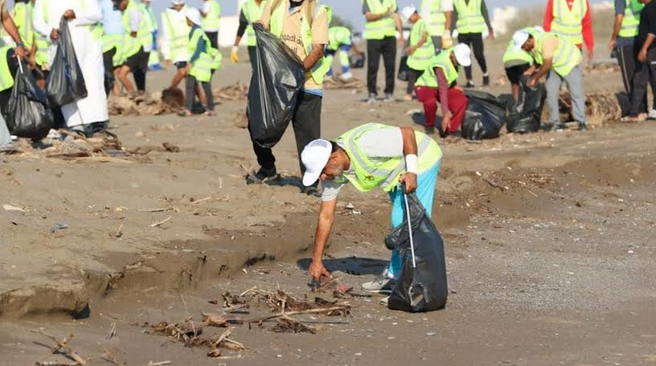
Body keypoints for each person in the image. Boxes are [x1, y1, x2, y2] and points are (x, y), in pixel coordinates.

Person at [301, 123, 442, 302]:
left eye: (321, 171)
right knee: (399, 223)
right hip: (395, 173)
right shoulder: (332, 173)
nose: (322, 177)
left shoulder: (365, 144)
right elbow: (325, 216)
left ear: (334, 158)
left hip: (421, 157)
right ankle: (394, 276)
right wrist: (317, 260)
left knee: (407, 222)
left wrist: (412, 172)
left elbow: (407, 134)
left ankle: (415, 286)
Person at [247, 0, 329, 196]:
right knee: (256, 123)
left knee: (308, 137)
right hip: (276, 82)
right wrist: (258, 26)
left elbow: (318, 50)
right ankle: (268, 168)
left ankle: (310, 183)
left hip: (307, 84)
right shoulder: (274, 4)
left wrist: (296, 73)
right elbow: (262, 22)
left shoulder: (318, 11)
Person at [33, 0, 108, 138]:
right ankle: (75, 126)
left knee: (92, 83)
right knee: (66, 84)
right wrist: (49, 31)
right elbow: (37, 22)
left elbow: (97, 14)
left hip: (87, 45)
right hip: (59, 44)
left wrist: (76, 15)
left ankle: (96, 124)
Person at [513, 29, 587, 131]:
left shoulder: (546, 41)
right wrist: (532, 69)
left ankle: (581, 122)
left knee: (575, 93)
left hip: (570, 63)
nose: (523, 49)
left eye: (523, 46)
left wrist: (535, 77)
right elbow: (539, 58)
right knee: (550, 92)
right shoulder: (532, 45)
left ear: (528, 41)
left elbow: (547, 63)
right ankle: (555, 123)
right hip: (556, 66)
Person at [415, 43, 471, 136]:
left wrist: (454, 85)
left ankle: (450, 130)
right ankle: (430, 125)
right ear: (452, 54)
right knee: (430, 103)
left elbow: (451, 73)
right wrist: (445, 115)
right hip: (425, 86)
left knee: (462, 101)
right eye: (458, 61)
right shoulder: (441, 64)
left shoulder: (455, 54)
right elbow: (443, 90)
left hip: (443, 87)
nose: (458, 63)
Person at [610, 0, 654, 118]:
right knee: (640, 76)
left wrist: (614, 38)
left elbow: (619, 18)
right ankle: (643, 110)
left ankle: (637, 111)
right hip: (641, 38)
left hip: (626, 40)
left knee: (629, 78)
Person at [362, 0, 404, 103]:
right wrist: (384, 14)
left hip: (389, 37)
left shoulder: (391, 1)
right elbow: (368, 17)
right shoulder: (368, 1)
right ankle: (372, 93)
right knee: (373, 66)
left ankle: (389, 93)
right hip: (374, 37)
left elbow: (396, 16)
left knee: (390, 66)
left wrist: (401, 33)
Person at [178, 8, 215, 117]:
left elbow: (198, 49)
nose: (186, 20)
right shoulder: (193, 31)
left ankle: (211, 108)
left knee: (206, 86)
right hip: (194, 64)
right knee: (189, 85)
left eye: (187, 18)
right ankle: (188, 109)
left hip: (201, 64)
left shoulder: (198, 32)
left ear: (191, 19)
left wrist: (190, 62)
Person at [113, 0, 153, 94]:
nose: (117, 6)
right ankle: (140, 97)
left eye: (118, 3)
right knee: (138, 75)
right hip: (134, 48)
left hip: (140, 47)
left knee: (122, 74)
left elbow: (133, 33)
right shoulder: (127, 9)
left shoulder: (133, 10)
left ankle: (133, 96)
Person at [626, 0, 656, 122]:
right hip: (648, 51)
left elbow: (653, 32)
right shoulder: (646, 8)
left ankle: (638, 112)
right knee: (642, 79)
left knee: (647, 80)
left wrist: (644, 49)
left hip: (652, 50)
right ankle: (636, 112)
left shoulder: (652, 7)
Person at [452, 0, 494, 88]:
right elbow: (454, 16)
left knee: (478, 55)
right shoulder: (456, 1)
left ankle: (485, 73)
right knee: (464, 56)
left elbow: (484, 12)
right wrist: (450, 32)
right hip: (462, 32)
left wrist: (490, 28)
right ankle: (469, 80)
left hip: (476, 31)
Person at [543, 0, 594, 64]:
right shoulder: (554, 1)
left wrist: (590, 46)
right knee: (555, 72)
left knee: (575, 72)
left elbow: (587, 26)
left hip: (576, 48)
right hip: (558, 46)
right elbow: (547, 23)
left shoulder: (583, 2)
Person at [402, 6, 434, 102]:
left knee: (422, 76)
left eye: (409, 18)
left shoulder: (422, 23)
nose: (409, 21)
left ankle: (414, 94)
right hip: (417, 57)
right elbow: (414, 39)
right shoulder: (415, 25)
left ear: (414, 14)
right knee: (413, 76)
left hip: (424, 57)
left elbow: (424, 38)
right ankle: (411, 93)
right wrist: (409, 48)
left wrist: (413, 48)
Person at [503, 26, 543, 102]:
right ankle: (533, 105)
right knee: (531, 83)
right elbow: (540, 58)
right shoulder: (537, 37)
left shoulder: (520, 33)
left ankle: (515, 107)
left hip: (508, 60)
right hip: (523, 60)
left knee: (515, 84)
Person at [161, 0, 190, 90]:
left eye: (181, 5)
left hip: (190, 50)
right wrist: (166, 55)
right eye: (177, 5)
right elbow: (166, 35)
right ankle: (171, 90)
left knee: (189, 76)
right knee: (182, 72)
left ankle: (201, 99)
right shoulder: (166, 15)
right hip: (177, 52)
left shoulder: (189, 11)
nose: (179, 7)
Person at [231, 0, 267, 71]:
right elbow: (242, 27)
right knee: (256, 70)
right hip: (253, 45)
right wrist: (235, 47)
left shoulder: (269, 2)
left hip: (267, 44)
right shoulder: (246, 6)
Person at [100, 0, 124, 95]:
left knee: (111, 72)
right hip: (120, 40)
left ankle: (120, 98)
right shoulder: (123, 3)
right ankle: (119, 97)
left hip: (109, 42)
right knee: (114, 72)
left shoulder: (102, 3)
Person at [141, 0, 161, 71]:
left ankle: (155, 64)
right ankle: (148, 64)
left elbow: (152, 20)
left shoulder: (149, 9)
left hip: (152, 31)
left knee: (154, 48)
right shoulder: (141, 9)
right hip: (146, 32)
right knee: (147, 48)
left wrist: (155, 28)